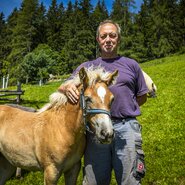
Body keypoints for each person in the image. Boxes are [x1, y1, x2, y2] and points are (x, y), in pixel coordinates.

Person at [58, 20, 148, 185]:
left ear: (118, 39)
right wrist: (68, 86)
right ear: (98, 40)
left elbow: (142, 96)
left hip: (126, 127)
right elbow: (62, 87)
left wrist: (125, 108)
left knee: (130, 181)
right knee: (94, 181)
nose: (108, 39)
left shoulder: (132, 65)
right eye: (103, 36)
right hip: (95, 130)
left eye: (112, 35)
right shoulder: (87, 66)